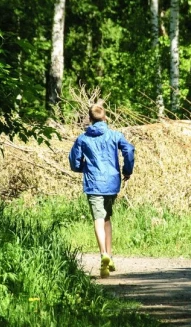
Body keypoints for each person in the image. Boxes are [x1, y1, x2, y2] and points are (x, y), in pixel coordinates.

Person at [69, 103, 135, 278]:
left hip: (93, 183)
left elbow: (74, 160)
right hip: (112, 183)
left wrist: (80, 167)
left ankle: (103, 255)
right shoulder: (114, 135)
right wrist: (127, 169)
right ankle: (110, 255)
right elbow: (129, 149)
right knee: (106, 218)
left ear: (89, 119)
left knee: (98, 218)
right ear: (105, 118)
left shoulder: (83, 139)